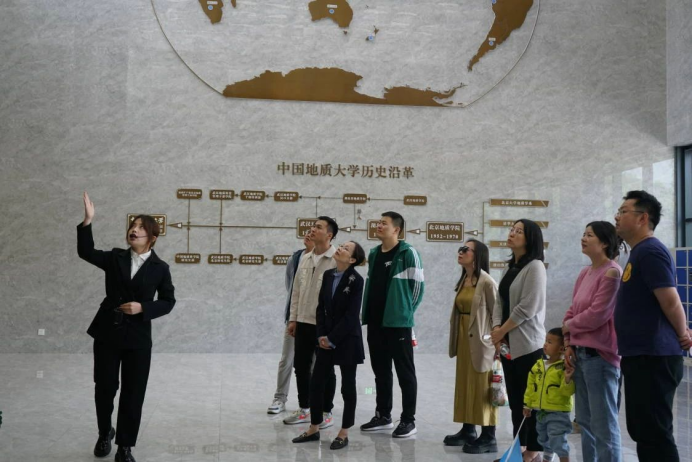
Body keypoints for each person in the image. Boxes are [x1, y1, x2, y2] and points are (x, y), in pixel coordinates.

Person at [77, 192, 175, 462]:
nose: (134, 230)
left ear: (152, 237)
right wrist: (87, 221)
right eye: (133, 226)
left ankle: (125, 446)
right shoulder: (115, 257)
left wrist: (143, 307)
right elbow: (86, 252)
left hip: (138, 338)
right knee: (105, 387)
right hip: (108, 332)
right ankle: (104, 433)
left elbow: (168, 301)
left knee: (133, 392)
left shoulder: (160, 268)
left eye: (141, 228)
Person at [614, 190, 693, 461]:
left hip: (654, 355)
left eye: (623, 211)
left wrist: (683, 333)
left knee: (655, 433)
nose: (617, 217)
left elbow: (670, 300)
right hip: (640, 354)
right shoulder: (640, 252)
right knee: (642, 430)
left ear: (642, 218)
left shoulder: (651, 251)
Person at [292, 241, 367, 450]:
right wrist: (321, 336)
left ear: (352, 259)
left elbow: (352, 315)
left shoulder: (356, 280)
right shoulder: (328, 275)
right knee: (316, 383)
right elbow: (321, 308)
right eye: (341, 245)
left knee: (347, 387)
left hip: (347, 340)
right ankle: (313, 428)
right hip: (325, 339)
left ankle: (344, 433)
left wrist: (332, 338)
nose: (340, 248)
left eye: (345, 248)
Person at [360, 211, 424, 438]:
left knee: (405, 372)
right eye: (378, 222)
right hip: (376, 322)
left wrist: (404, 312)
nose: (379, 225)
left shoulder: (408, 253)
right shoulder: (374, 253)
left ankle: (408, 420)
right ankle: (383, 415)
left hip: (398, 324)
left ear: (396, 229)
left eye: (384, 223)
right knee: (381, 372)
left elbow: (418, 288)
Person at [562, 221, 623, 462]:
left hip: (600, 357)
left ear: (605, 242)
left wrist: (569, 327)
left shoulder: (612, 272)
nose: (583, 238)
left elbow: (598, 314)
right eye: (583, 234)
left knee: (604, 426)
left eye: (589, 235)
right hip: (580, 354)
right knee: (585, 423)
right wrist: (568, 342)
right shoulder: (584, 273)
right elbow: (573, 309)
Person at [491, 219, 546, 462]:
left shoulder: (535, 267)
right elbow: (499, 302)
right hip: (507, 344)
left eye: (519, 231)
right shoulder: (510, 267)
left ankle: (533, 450)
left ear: (530, 238)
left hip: (528, 344)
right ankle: (518, 448)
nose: (512, 233)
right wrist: (496, 330)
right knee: (515, 401)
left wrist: (501, 331)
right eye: (512, 229)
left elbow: (528, 307)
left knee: (530, 400)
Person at [444, 240, 499, 453]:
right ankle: (468, 429)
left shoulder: (487, 282)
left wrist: (496, 343)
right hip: (464, 339)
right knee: (465, 384)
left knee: (483, 387)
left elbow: (497, 315)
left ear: (478, 255)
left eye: (466, 249)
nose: (461, 252)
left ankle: (489, 436)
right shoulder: (464, 280)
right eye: (461, 248)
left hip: (482, 341)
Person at [284, 217, 338, 426]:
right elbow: (296, 291)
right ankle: (304, 408)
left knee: (326, 368)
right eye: (313, 226)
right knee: (301, 366)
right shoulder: (305, 258)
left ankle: (326, 411)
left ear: (329, 235)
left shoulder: (336, 259)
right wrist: (293, 319)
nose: (312, 229)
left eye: (318, 227)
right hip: (303, 321)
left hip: (325, 325)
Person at [267, 235, 315, 414]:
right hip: (295, 317)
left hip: (316, 319)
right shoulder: (295, 258)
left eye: (314, 232)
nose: (308, 235)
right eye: (308, 231)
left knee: (313, 363)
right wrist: (293, 314)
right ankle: (280, 398)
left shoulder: (328, 258)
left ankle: (313, 401)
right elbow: (291, 287)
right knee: (287, 359)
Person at [523, 328, 575, 462]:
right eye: (546, 341)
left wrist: (567, 379)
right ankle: (547, 459)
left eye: (550, 342)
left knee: (558, 439)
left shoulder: (564, 367)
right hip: (541, 411)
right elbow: (531, 387)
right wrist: (527, 404)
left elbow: (567, 392)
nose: (545, 344)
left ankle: (564, 459)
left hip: (558, 412)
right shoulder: (538, 365)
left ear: (562, 349)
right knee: (543, 439)